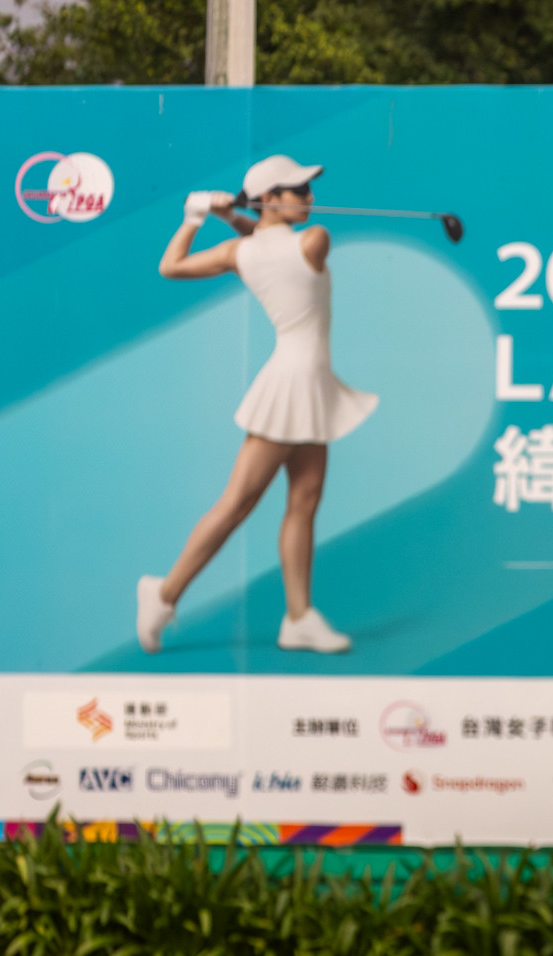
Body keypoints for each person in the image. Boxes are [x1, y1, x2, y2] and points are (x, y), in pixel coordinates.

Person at [136, 153, 377, 656]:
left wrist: (206, 217)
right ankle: (162, 594)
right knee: (237, 504)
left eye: (308, 189)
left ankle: (299, 617)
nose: (310, 198)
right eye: (299, 190)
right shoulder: (315, 238)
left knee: (305, 499)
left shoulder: (239, 251)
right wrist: (215, 216)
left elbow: (194, 258)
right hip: (290, 385)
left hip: (310, 383)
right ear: (269, 198)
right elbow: (172, 268)